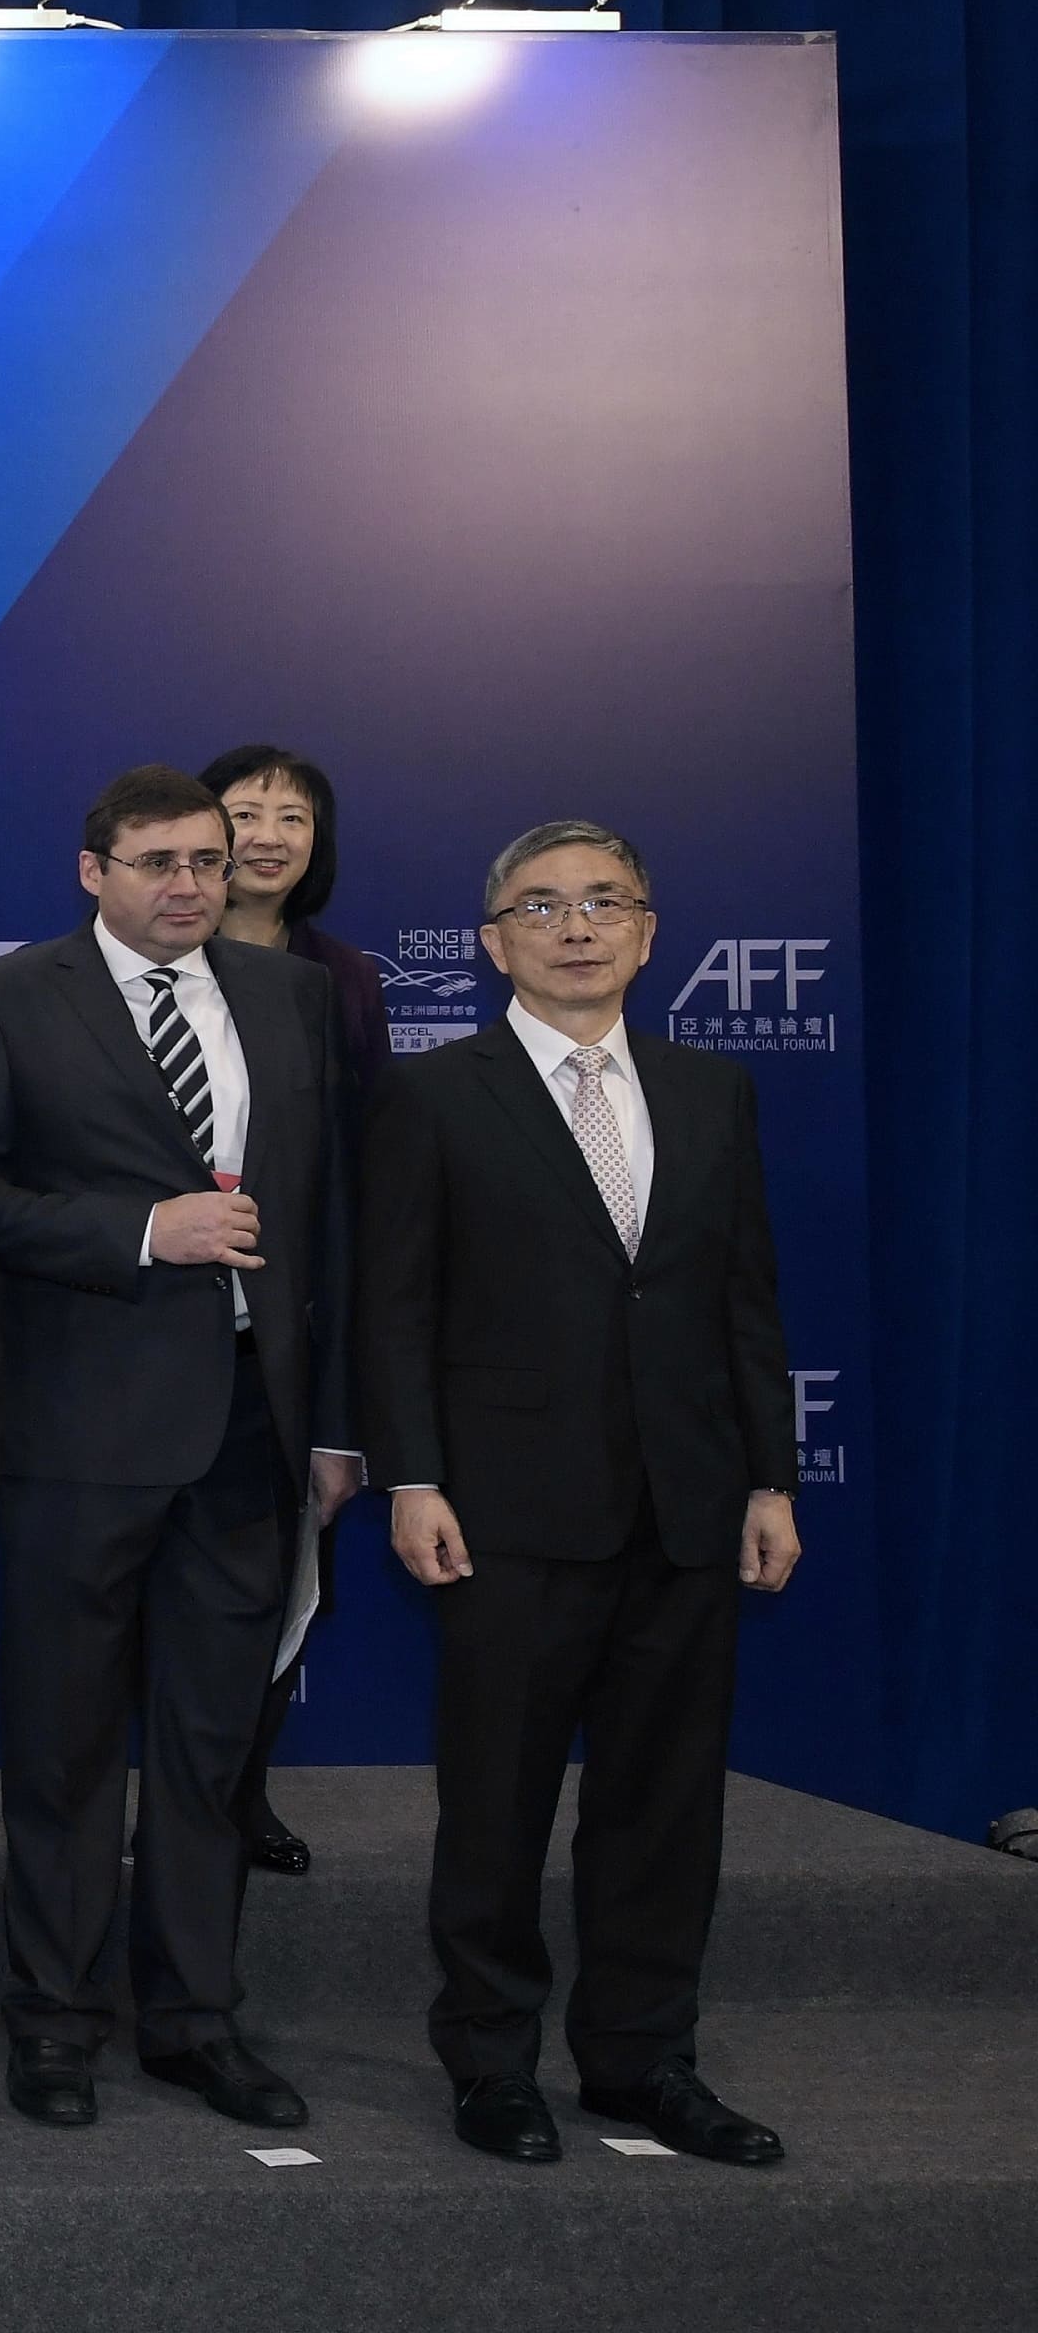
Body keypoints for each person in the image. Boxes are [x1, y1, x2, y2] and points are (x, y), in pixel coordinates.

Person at [363, 821, 796, 2169]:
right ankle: (492, 2060)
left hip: (688, 1504)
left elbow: (743, 1301)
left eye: (607, 899)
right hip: (504, 1508)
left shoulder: (711, 1086)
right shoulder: (435, 1092)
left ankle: (642, 2057)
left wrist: (770, 1474)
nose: (577, 923)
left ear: (650, 930)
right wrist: (414, 1473)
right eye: (541, 903)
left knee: (665, 1807)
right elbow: (394, 1306)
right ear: (493, 940)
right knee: (495, 1802)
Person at [0, 764, 354, 2133]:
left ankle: (193, 2018)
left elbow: (328, 1210)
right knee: (63, 1747)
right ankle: (55, 2019)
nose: (190, 882)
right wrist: (139, 1232)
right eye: (158, 861)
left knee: (209, 1749)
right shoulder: (5, 999)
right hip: (80, 1427)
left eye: (208, 859)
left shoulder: (291, 996)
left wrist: (336, 1418)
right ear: (92, 870)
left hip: (253, 1426)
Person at [202, 740, 395, 1880]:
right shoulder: (141, 959)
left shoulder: (340, 975)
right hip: (157, 1312)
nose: (267, 835)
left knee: (286, 1573)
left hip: (293, 1317)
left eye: (292, 817)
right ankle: (170, 1790)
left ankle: (241, 1786)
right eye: (244, 811)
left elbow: (359, 1158)